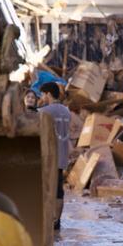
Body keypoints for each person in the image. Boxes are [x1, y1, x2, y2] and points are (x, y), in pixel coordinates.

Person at [38, 82, 71, 231]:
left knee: (46, 189)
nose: (41, 97)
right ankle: (57, 222)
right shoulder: (66, 111)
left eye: (43, 94)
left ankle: (47, 220)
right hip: (62, 157)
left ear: (48, 94)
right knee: (59, 190)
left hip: (49, 157)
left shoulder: (44, 111)